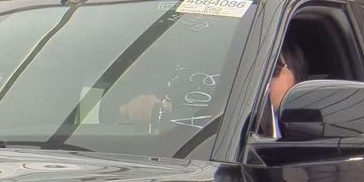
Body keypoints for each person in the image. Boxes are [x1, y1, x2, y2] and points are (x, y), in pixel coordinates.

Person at [117, 41, 309, 132]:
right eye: (241, 73)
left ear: (298, 79)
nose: (259, 80)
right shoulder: (206, 127)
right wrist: (135, 110)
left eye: (273, 70)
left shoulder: (309, 136)